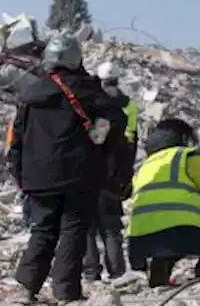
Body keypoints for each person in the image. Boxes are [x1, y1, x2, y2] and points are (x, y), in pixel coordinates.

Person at [8, 34, 128, 304]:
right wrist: (106, 154)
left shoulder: (31, 93)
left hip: (38, 176)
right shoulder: (88, 90)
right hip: (79, 173)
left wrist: (20, 173)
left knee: (43, 229)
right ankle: (66, 291)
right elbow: (115, 123)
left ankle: (26, 288)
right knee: (73, 230)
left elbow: (17, 137)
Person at [128, 118, 200, 287]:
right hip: (180, 231)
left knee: (168, 225)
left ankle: (160, 270)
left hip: (141, 238)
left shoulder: (145, 166)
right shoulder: (184, 157)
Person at [83, 61, 139, 282]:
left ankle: (91, 273)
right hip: (115, 171)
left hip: (90, 173)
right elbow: (132, 141)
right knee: (111, 226)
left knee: (88, 228)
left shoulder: (92, 103)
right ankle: (117, 272)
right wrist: (125, 176)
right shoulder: (129, 105)